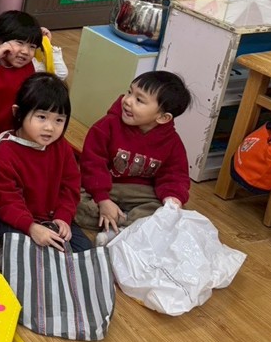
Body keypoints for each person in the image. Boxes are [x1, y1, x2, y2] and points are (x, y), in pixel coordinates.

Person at [76, 72, 192, 245]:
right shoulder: (107, 125)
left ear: (163, 117)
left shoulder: (172, 142)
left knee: (168, 212)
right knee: (73, 202)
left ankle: (118, 229)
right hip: (106, 186)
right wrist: (103, 199)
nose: (128, 101)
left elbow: (174, 175)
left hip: (140, 192)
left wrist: (172, 199)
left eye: (139, 100)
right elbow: (92, 164)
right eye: (129, 92)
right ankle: (130, 226)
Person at [0, 73, 90, 253]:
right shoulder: (4, 153)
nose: (50, 127)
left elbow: (70, 186)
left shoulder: (61, 146)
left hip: (51, 217)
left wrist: (63, 217)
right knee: (26, 252)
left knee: (85, 250)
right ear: (18, 113)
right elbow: (7, 202)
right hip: (15, 220)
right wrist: (31, 227)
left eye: (59, 120)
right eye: (42, 117)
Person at [0, 10, 67, 148]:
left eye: (32, 47)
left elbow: (60, 75)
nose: (25, 51)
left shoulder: (32, 66)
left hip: (12, 139)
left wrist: (48, 46)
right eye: (20, 43)